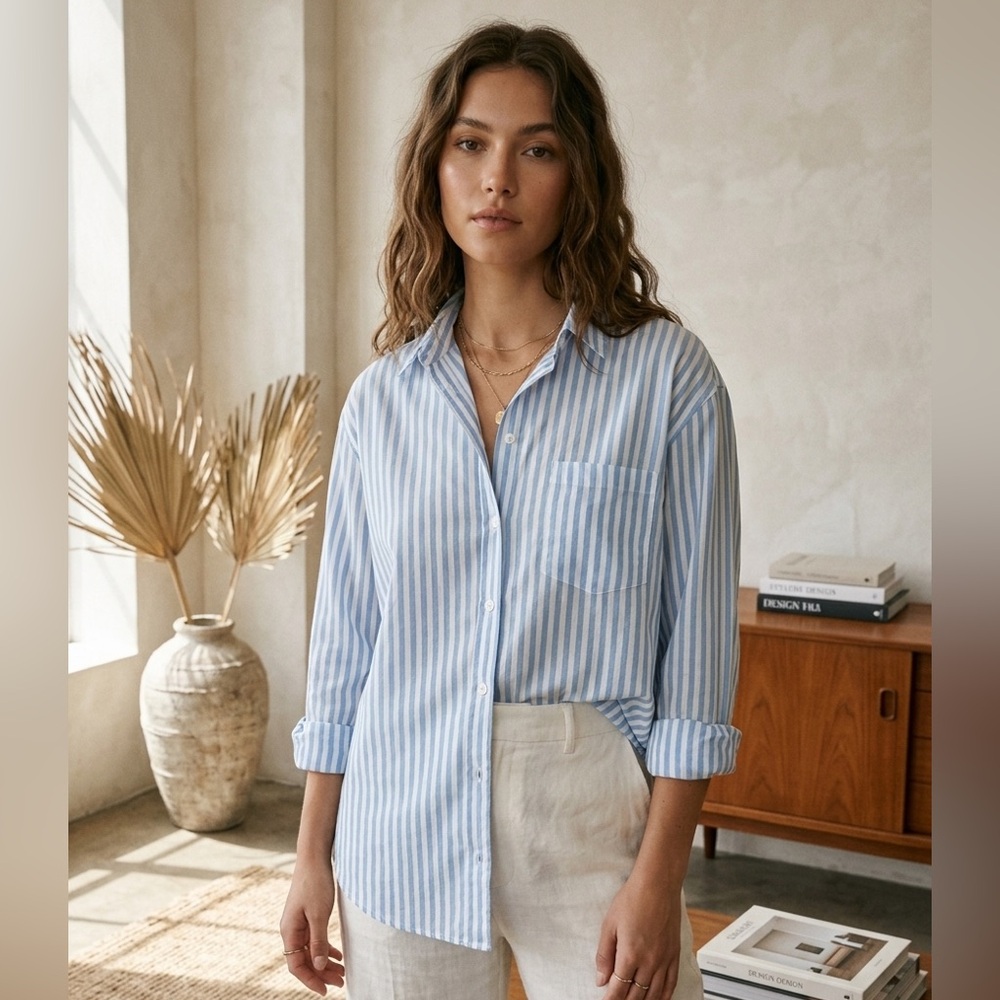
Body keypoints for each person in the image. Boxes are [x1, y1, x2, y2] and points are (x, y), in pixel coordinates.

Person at [280, 20, 741, 1000]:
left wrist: (658, 882)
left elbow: (694, 663)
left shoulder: (666, 381)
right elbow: (346, 648)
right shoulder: (384, 401)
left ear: (578, 176)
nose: (497, 178)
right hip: (398, 821)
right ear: (433, 170)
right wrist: (312, 853)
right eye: (470, 143)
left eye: (536, 149)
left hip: (589, 825)